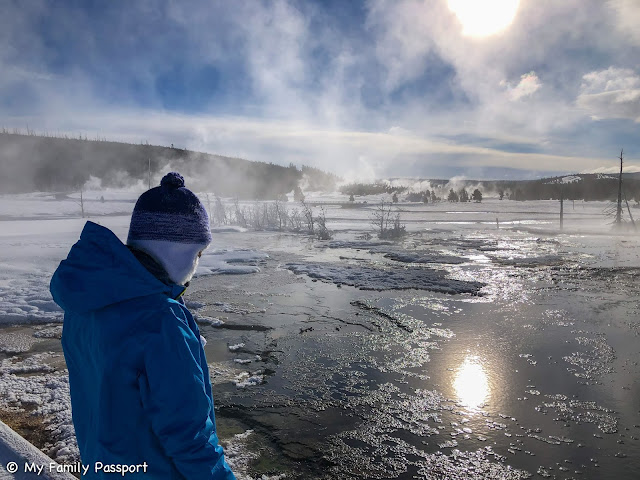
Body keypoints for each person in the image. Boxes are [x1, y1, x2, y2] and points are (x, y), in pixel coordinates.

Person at [50, 172, 236, 479]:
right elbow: (190, 438)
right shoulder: (162, 320)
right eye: (197, 253)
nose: (196, 266)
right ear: (176, 251)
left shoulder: (87, 302)